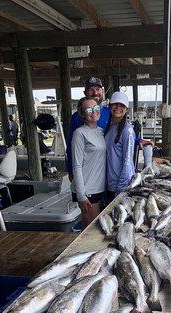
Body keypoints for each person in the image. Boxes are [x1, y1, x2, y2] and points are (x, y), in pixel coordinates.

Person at [71, 98, 106, 229]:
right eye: (89, 110)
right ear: (82, 114)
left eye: (96, 108)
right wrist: (81, 196)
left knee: (91, 229)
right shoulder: (79, 133)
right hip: (87, 190)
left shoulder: (101, 131)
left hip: (99, 188)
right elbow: (77, 165)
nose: (94, 112)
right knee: (91, 231)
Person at [66, 77, 110, 180]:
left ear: (102, 91)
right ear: (85, 92)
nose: (95, 93)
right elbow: (70, 145)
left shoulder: (109, 113)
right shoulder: (77, 116)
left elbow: (122, 130)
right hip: (87, 169)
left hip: (106, 167)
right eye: (91, 89)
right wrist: (70, 169)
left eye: (98, 89)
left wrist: (138, 140)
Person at [105, 92, 136, 203]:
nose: (118, 108)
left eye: (122, 105)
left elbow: (127, 162)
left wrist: (121, 190)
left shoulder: (127, 131)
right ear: (110, 106)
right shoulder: (110, 127)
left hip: (120, 187)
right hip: (109, 184)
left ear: (126, 109)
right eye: (115, 104)